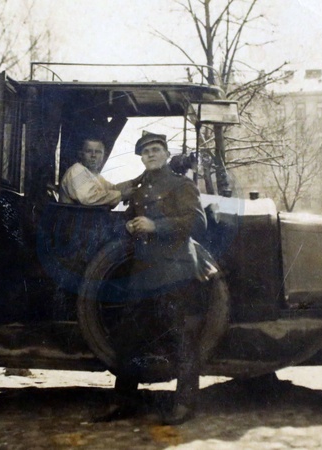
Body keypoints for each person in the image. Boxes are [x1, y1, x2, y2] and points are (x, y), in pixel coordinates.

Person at [97, 131, 209, 426]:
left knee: (180, 337)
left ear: (167, 154)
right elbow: (131, 220)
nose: (151, 154)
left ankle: (184, 404)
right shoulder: (139, 189)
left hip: (174, 272)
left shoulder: (181, 184)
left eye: (157, 149)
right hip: (143, 274)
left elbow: (197, 222)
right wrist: (130, 226)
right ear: (142, 158)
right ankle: (124, 401)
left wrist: (155, 225)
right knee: (129, 338)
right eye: (146, 151)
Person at [59, 138, 136, 207]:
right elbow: (88, 198)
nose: (93, 155)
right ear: (80, 154)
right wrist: (121, 195)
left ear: (103, 155)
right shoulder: (77, 170)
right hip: (75, 217)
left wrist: (134, 182)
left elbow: (112, 189)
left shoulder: (93, 173)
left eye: (98, 152)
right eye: (89, 151)